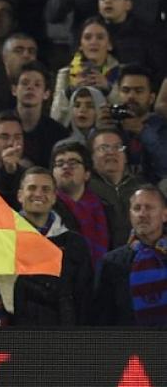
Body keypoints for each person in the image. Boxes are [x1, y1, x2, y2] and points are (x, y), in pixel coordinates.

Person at [13, 166, 93, 325]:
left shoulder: (75, 243)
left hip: (63, 337)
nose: (38, 194)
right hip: (14, 337)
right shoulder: (4, 239)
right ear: (20, 195)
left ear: (54, 197)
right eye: (32, 188)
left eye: (46, 189)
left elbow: (84, 298)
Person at [94, 186, 167, 326]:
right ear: (130, 214)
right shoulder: (111, 263)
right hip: (130, 344)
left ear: (164, 215)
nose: (142, 214)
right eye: (137, 208)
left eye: (149, 208)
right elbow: (103, 318)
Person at [50, 140, 112, 269]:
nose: (66, 167)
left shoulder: (105, 209)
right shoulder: (48, 210)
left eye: (73, 163)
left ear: (87, 174)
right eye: (60, 163)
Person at [49, 18, 120, 127]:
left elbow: (127, 118)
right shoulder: (65, 74)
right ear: (80, 45)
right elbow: (55, 118)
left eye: (100, 37)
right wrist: (70, 91)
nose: (93, 42)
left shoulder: (121, 73)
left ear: (110, 44)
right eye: (87, 37)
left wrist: (108, 89)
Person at [87, 127, 143, 247]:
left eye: (117, 147)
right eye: (103, 148)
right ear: (91, 157)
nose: (111, 152)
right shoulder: (84, 189)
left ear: (126, 157)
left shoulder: (141, 189)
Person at [15, 62, 69, 168]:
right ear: (14, 89)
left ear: (46, 94)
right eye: (25, 83)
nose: (30, 87)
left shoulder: (58, 133)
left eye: (37, 85)